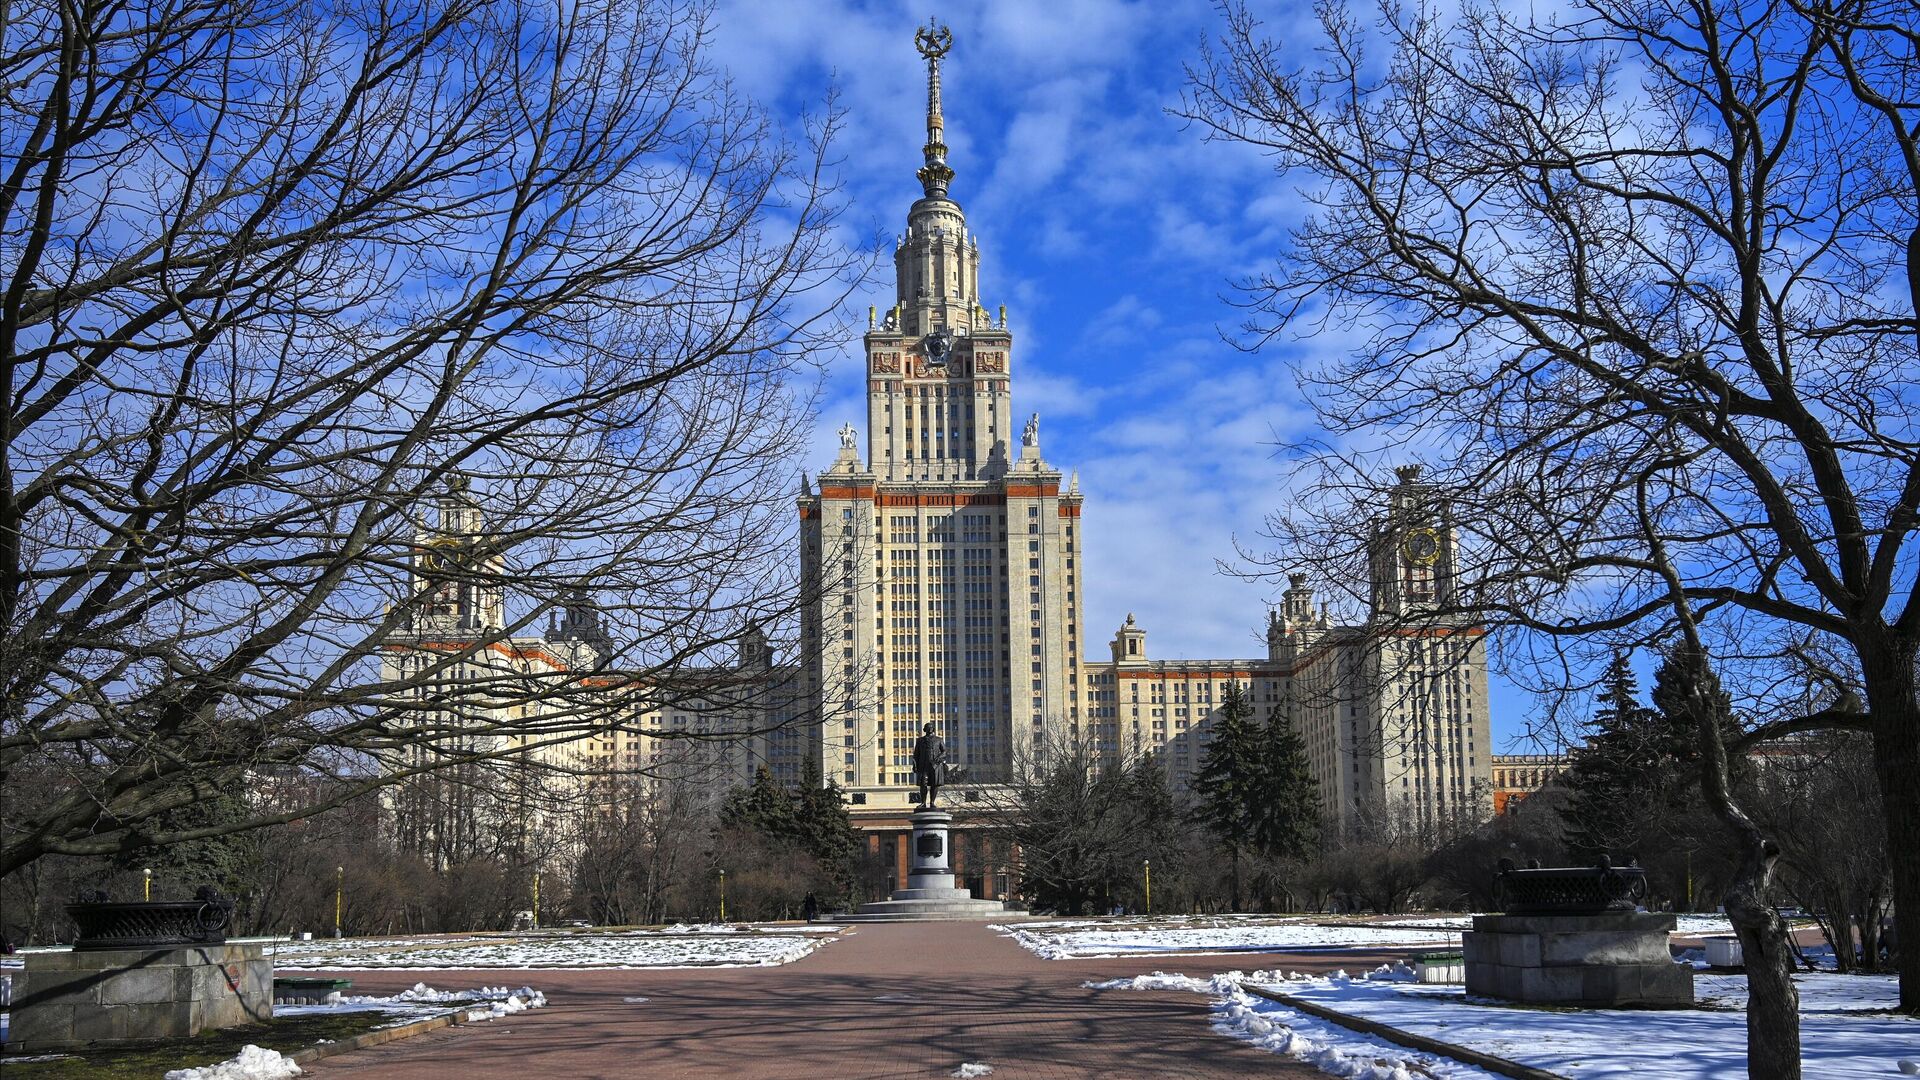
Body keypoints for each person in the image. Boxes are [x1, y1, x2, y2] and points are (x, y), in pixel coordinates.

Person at [911, 722, 947, 807]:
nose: (929, 728)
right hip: (923, 766)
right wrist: (915, 765)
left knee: (934, 784)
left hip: (935, 766)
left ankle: (932, 802)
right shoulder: (920, 740)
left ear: (933, 729)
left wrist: (939, 758)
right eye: (927, 727)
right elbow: (916, 754)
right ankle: (923, 803)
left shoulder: (939, 740)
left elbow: (944, 751)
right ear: (925, 729)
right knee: (923, 784)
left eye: (931, 727)